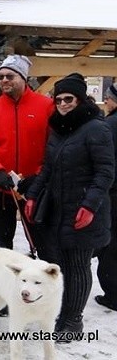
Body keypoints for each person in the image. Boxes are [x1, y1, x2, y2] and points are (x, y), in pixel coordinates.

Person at [24, 73, 114, 338]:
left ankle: (74, 320)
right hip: (58, 208)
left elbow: (105, 171)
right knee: (60, 263)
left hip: (84, 210)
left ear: (80, 99)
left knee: (78, 264)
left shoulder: (97, 128)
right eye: (58, 99)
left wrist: (90, 205)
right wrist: (33, 195)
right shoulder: (58, 128)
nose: (62, 104)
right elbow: (48, 168)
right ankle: (63, 313)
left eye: (68, 99)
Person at [0, 55, 53, 249]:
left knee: (42, 243)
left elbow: (53, 147)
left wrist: (39, 175)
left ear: (23, 78)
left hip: (34, 188)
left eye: (10, 76)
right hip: (0, 189)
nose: (4, 81)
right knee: (1, 246)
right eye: (0, 77)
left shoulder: (46, 106)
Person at [95, 82, 117, 312]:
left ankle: (113, 294)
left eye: (109, 98)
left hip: (112, 193)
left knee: (109, 246)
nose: (106, 101)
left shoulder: (108, 126)